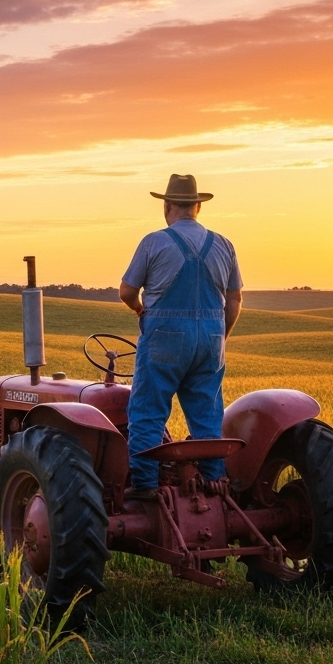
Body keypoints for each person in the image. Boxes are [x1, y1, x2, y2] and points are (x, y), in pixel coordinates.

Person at [118, 174, 243, 500]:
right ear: (198, 206)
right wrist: (220, 337)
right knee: (208, 416)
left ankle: (145, 487)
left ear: (166, 206)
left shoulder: (153, 242)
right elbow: (235, 300)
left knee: (147, 412)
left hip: (165, 339)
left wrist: (140, 309)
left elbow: (127, 291)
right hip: (211, 339)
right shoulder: (224, 245)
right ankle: (214, 483)